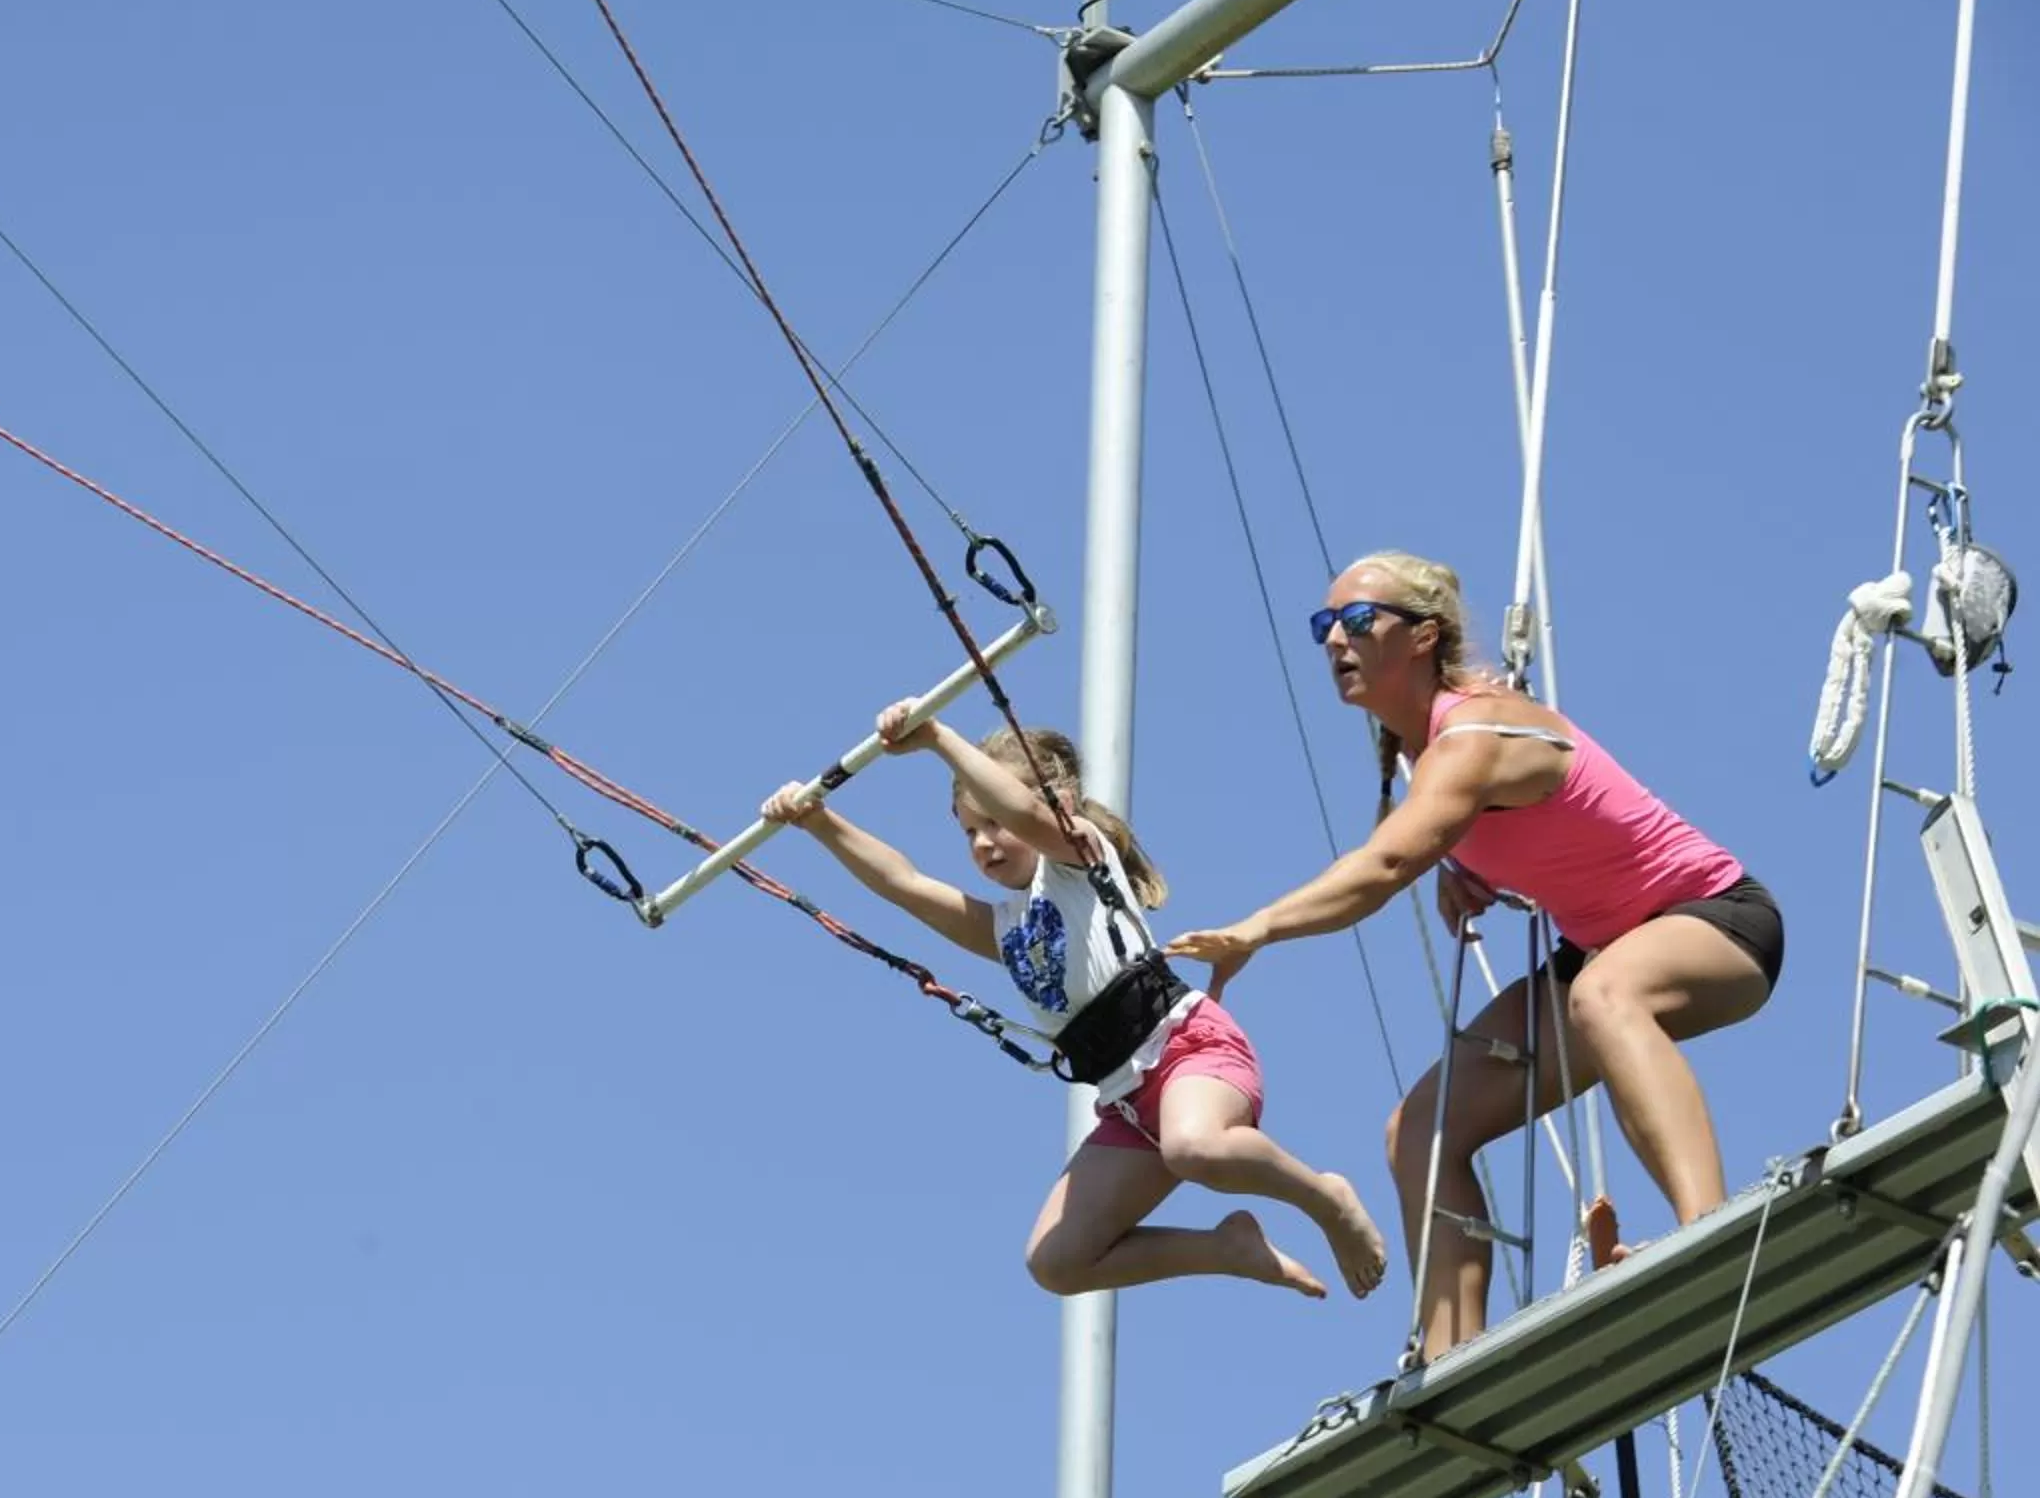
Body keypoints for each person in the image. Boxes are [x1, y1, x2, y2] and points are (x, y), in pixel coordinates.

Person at [1161, 551, 1785, 1363]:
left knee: (1604, 996)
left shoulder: (1474, 733)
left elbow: (1385, 863)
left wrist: (1257, 929)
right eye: (1325, 626)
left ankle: (1709, 1235)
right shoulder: (1426, 755)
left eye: (1359, 621)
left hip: (1717, 920)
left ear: (1424, 637)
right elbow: (1476, 829)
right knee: (1420, 1129)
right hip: (1598, 956)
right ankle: (1452, 1356)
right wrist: (1461, 866)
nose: (1336, 641)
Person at [760, 701, 1388, 1303]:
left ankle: (1326, 1199)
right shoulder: (1004, 929)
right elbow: (905, 883)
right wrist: (819, 823)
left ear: (1056, 803)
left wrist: (939, 741)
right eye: (970, 831)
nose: (983, 842)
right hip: (1127, 1103)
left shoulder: (1079, 857)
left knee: (1194, 1147)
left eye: (993, 822)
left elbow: (1031, 817)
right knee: (1057, 1262)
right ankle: (1227, 1249)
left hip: (1186, 1048)